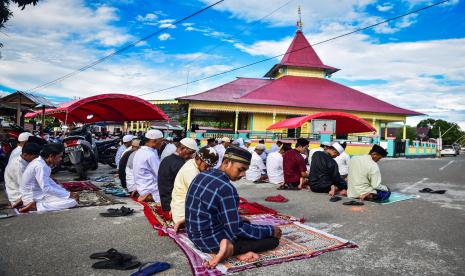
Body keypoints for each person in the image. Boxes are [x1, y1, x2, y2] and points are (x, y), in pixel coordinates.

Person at [185, 146, 281, 268]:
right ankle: (229, 248)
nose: (243, 174)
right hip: (211, 242)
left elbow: (210, 210)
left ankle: (228, 247)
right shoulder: (226, 188)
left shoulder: (202, 175)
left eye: (245, 170)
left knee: (247, 224)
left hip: (194, 236)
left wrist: (239, 220)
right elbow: (236, 229)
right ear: (226, 163)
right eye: (240, 169)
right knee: (272, 241)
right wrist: (271, 230)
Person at [20, 143, 79, 212]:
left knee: (68, 198)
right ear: (51, 156)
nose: (60, 159)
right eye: (59, 157)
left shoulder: (42, 163)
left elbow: (51, 183)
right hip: (32, 198)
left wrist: (66, 193)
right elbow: (46, 188)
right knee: (72, 202)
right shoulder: (40, 166)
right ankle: (36, 206)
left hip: (40, 195)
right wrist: (68, 194)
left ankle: (39, 205)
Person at [171, 146, 218, 225]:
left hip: (181, 207)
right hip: (182, 215)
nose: (208, 169)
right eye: (206, 166)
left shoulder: (192, 162)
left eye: (210, 167)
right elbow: (200, 198)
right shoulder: (191, 172)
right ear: (199, 160)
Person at [158, 138, 198, 212]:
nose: (191, 156)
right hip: (172, 204)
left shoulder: (166, 159)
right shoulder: (180, 164)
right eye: (191, 153)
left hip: (164, 200)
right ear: (183, 149)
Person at [4, 143, 41, 208]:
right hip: (18, 196)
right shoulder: (18, 166)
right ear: (25, 155)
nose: (36, 159)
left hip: (25, 191)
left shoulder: (24, 159)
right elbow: (25, 186)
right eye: (34, 157)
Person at [133, 129, 165, 202]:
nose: (162, 144)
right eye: (161, 141)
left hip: (141, 187)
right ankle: (150, 197)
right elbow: (160, 174)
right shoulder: (150, 154)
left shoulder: (140, 151)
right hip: (150, 189)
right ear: (153, 141)